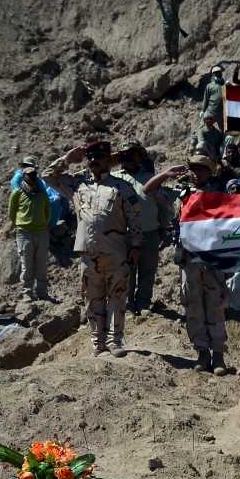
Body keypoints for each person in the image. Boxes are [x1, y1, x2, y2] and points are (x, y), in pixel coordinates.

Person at [42, 140, 142, 357]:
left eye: (98, 157)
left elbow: (134, 219)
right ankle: (98, 344)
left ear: (109, 160)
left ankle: (116, 342)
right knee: (93, 299)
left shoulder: (122, 186)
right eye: (90, 157)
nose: (93, 161)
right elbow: (47, 176)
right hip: (88, 253)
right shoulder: (77, 184)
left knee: (117, 297)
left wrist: (135, 246)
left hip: (116, 253)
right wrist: (67, 159)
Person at [143, 157, 230, 374]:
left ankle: (218, 355)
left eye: (201, 169)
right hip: (189, 259)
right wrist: (166, 174)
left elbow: (231, 231)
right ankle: (202, 352)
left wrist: (231, 263)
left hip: (214, 259)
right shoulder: (180, 194)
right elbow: (148, 190)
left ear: (210, 172)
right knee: (193, 306)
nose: (196, 173)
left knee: (216, 306)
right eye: (193, 169)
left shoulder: (220, 196)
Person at [112, 141, 170, 316]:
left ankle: (144, 304)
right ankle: (128, 305)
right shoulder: (114, 178)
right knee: (126, 270)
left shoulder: (151, 178)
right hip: (125, 233)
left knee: (148, 270)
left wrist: (164, 226)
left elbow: (162, 204)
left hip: (150, 230)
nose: (131, 157)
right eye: (126, 154)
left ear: (140, 156)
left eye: (134, 153)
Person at [7, 157, 52, 303]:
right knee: (27, 265)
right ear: (23, 176)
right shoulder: (17, 193)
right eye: (28, 174)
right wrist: (22, 225)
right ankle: (27, 293)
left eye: (34, 174)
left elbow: (48, 213)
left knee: (42, 265)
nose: (32, 177)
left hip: (41, 233)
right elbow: (12, 213)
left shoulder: (42, 193)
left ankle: (42, 292)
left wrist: (40, 224)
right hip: (24, 234)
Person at [145, 0, 190, 64]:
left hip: (170, 26)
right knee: (169, 43)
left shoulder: (168, 0)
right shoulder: (174, 0)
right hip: (171, 25)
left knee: (172, 43)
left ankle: (173, 58)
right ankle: (170, 58)